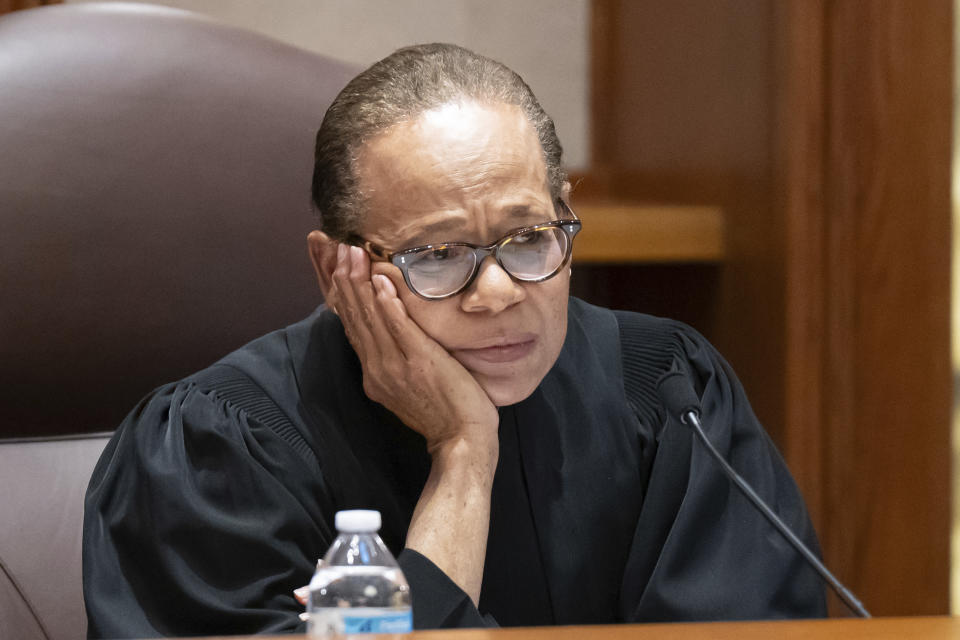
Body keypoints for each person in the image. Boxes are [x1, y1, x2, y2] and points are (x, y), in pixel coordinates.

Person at [83, 43, 826, 638]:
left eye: (530, 237)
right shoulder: (215, 451)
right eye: (437, 256)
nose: (499, 293)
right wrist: (464, 459)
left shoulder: (667, 391)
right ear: (333, 266)